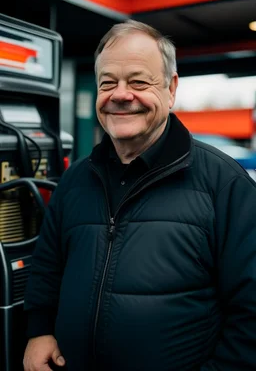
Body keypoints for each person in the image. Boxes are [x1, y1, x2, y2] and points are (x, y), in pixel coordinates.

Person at [23, 19, 256, 371]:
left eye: (138, 82)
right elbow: (47, 269)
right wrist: (39, 331)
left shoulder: (225, 185)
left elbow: (251, 314)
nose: (120, 94)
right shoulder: (74, 180)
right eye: (107, 83)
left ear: (170, 88)